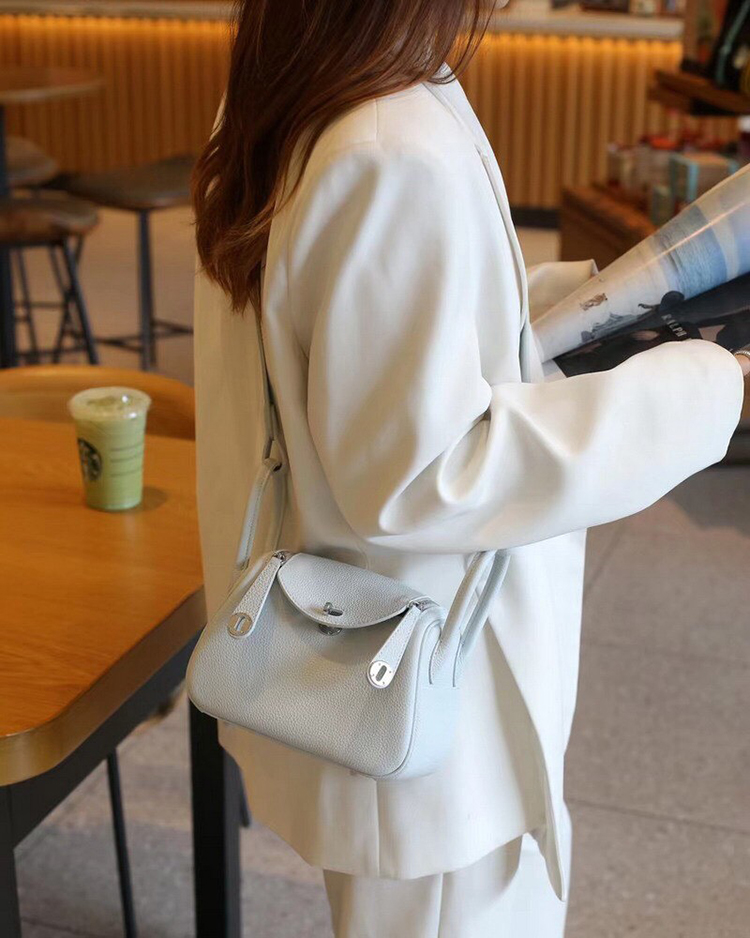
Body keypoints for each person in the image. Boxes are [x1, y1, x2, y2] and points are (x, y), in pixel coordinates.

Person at [191, 2, 749, 935]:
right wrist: (711, 387)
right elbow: (424, 473)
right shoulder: (390, 136)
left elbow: (357, 328)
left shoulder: (303, 80)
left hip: (357, 656)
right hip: (422, 697)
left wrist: (582, 303)